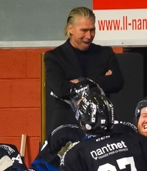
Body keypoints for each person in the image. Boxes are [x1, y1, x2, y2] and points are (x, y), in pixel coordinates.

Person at [0, 79, 137, 171]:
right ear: (74, 107)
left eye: (93, 100)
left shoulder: (126, 131)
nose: (89, 108)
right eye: (83, 103)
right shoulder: (63, 136)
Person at [44, 6, 124, 134]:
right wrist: (100, 81)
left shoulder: (105, 53)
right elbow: (60, 88)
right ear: (70, 29)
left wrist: (79, 82)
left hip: (102, 126)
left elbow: (117, 81)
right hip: (66, 125)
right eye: (84, 30)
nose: (89, 36)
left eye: (92, 30)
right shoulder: (54, 57)